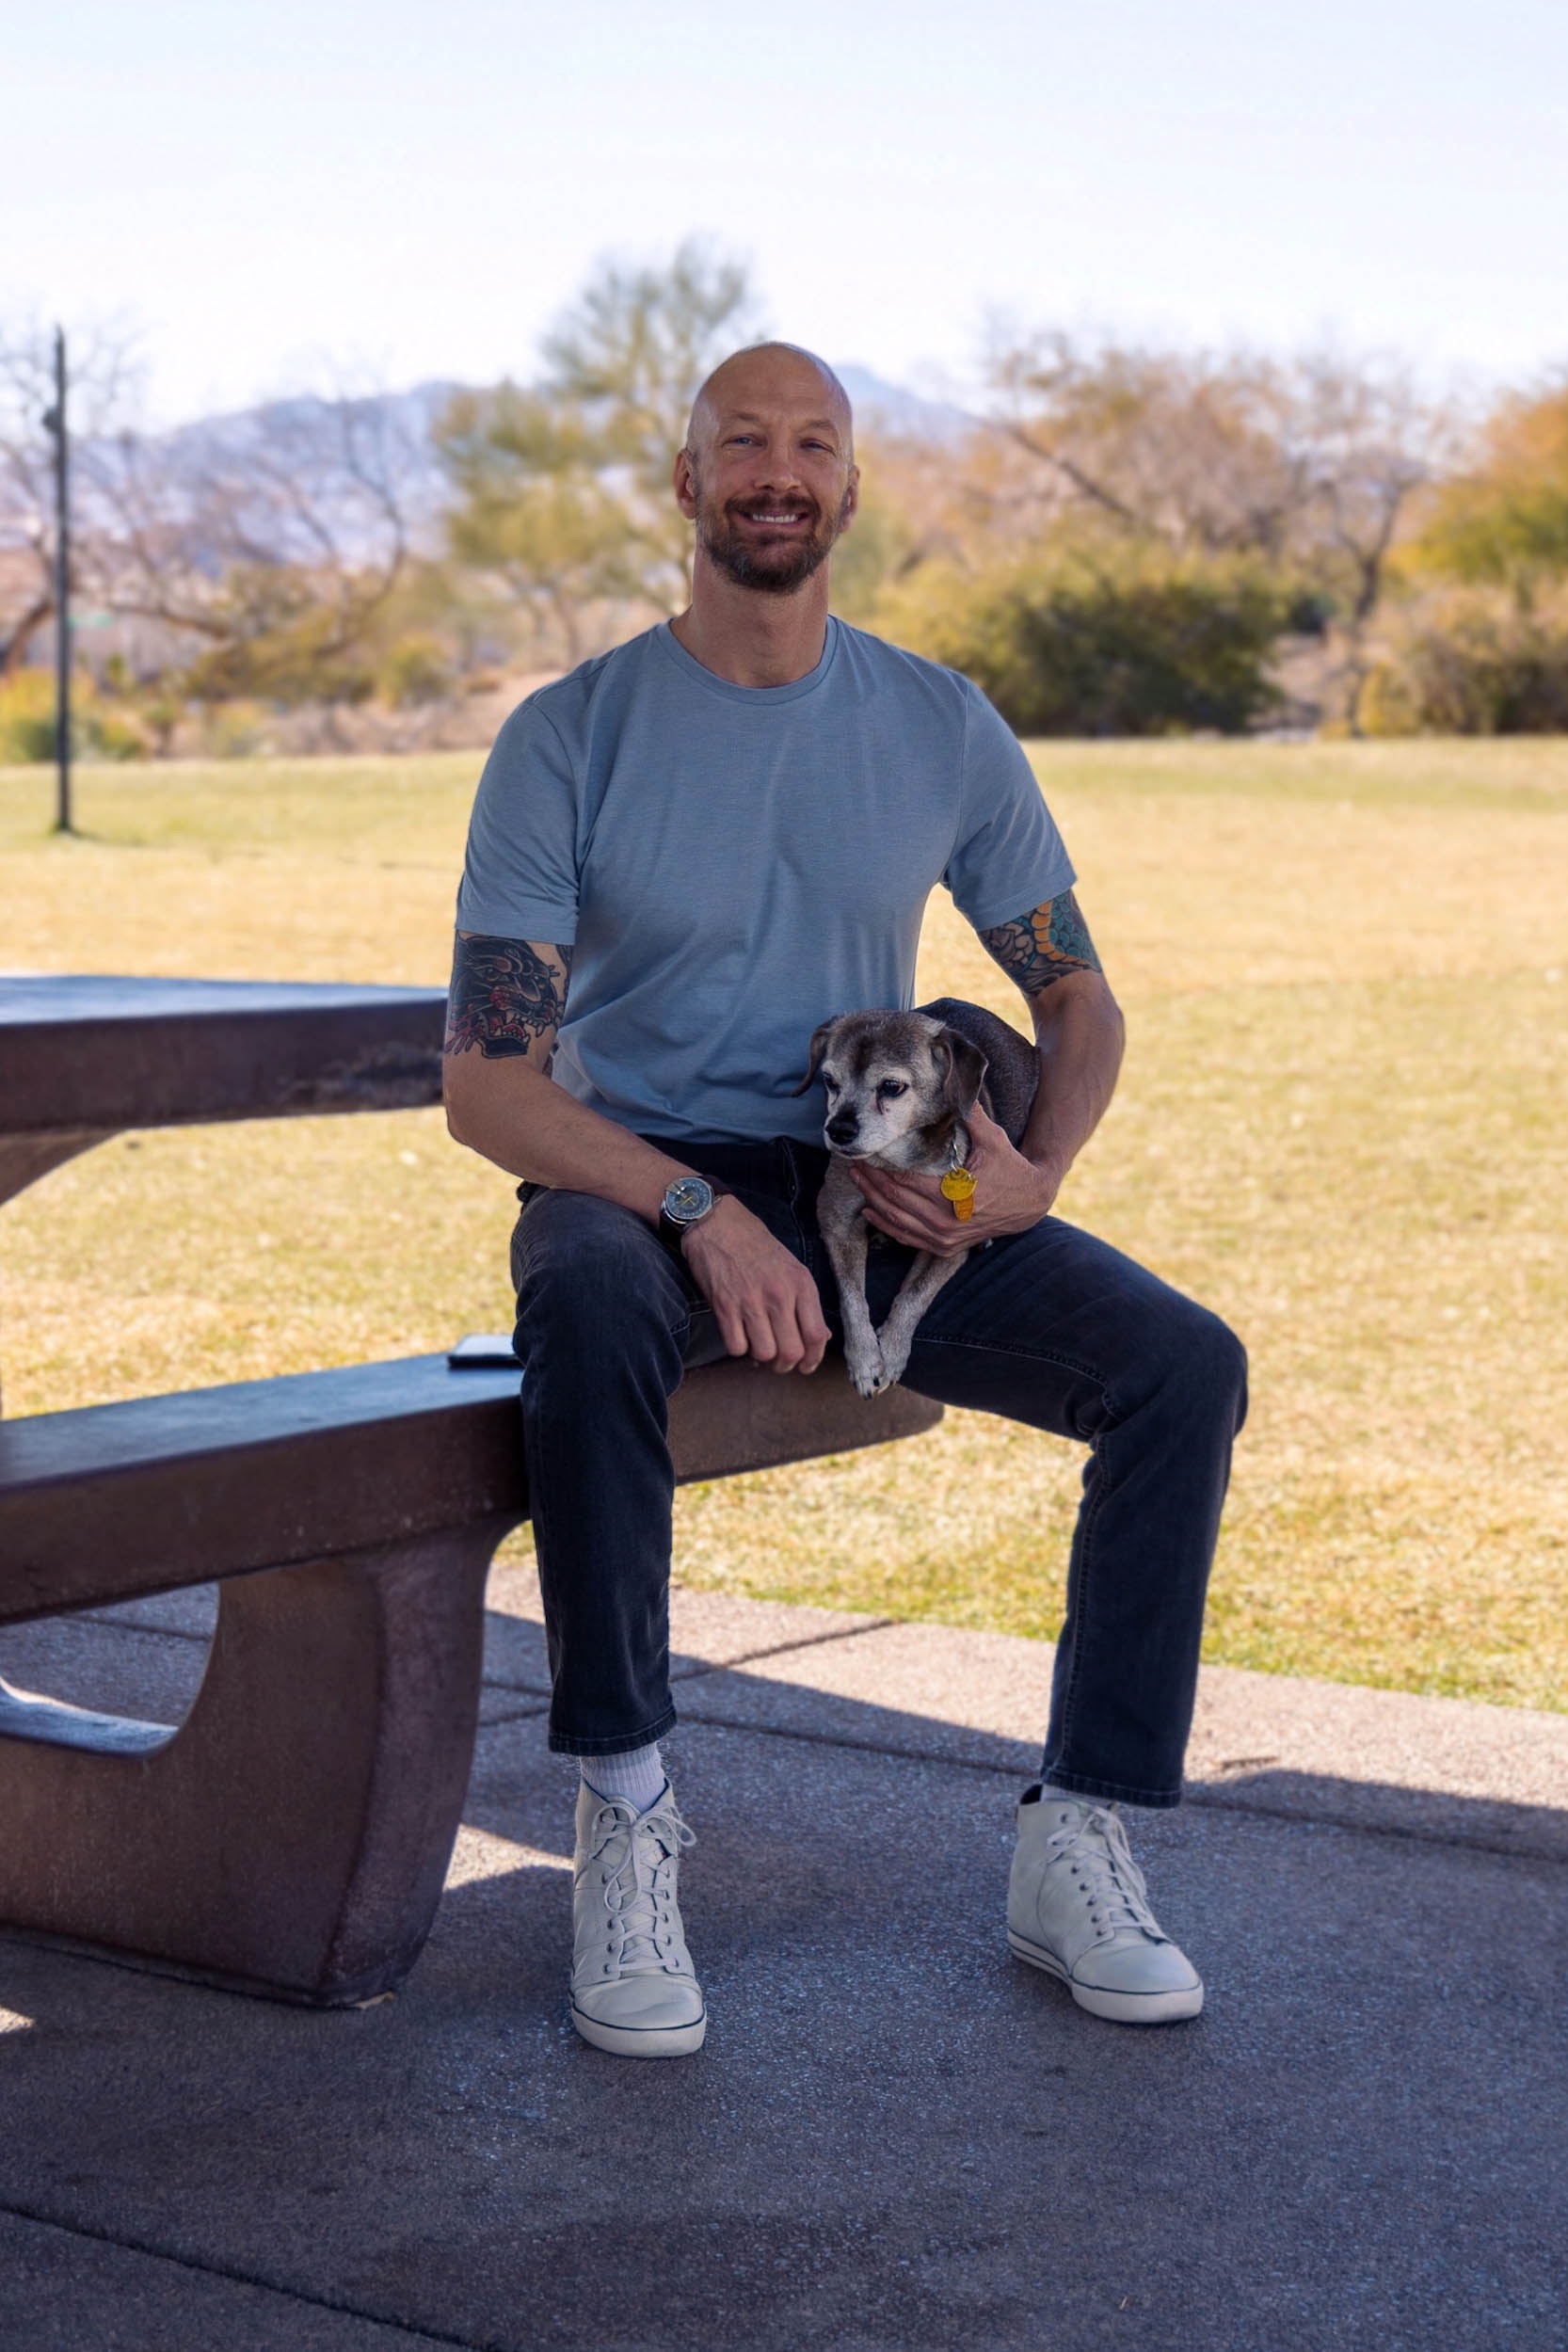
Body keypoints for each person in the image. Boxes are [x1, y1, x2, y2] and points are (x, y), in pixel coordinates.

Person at [443, 344, 1247, 2059]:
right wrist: (691, 1213)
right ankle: (626, 1815)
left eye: (813, 443)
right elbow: (492, 1087)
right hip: (636, 1175)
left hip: (882, 1180)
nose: (777, 470)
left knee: (1181, 1365)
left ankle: (1078, 1836)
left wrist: (1028, 1181)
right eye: (743, 442)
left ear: (850, 490)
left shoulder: (936, 721)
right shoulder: (565, 735)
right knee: (584, 1302)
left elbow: (1079, 1005)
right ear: (685, 482)